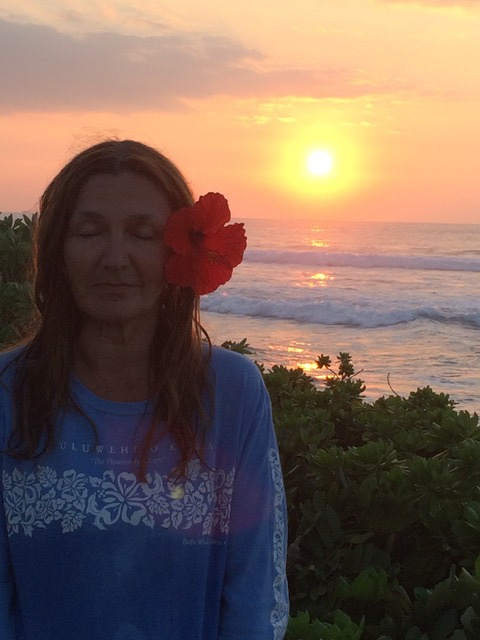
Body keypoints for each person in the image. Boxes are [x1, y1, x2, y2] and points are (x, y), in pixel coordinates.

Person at [0, 140, 289, 639]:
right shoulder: (6, 391)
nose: (115, 258)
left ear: (180, 250)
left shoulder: (233, 392)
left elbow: (254, 594)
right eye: (88, 232)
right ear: (57, 251)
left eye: (143, 233)